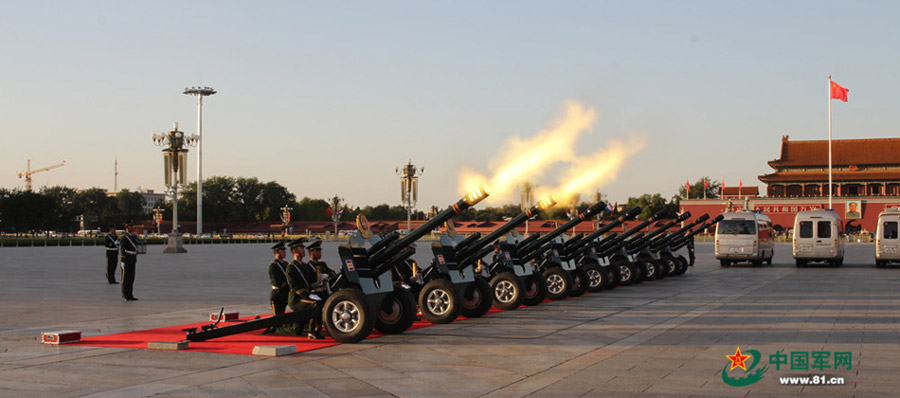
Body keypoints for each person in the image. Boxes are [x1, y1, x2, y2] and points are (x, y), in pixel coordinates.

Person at [284, 238, 324, 339]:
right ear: (294, 251)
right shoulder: (291, 267)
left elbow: (309, 284)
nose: (303, 250)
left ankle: (314, 329)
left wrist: (317, 283)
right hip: (296, 298)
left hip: (304, 296)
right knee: (315, 304)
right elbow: (295, 287)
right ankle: (313, 331)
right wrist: (309, 295)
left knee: (297, 330)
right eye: (301, 248)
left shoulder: (304, 266)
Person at [268, 241, 290, 315]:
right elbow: (277, 283)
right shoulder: (273, 266)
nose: (284, 252)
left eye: (284, 250)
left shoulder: (286, 264)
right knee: (277, 319)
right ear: (276, 251)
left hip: (285, 294)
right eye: (282, 250)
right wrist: (287, 284)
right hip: (277, 295)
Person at [120, 222, 139, 301]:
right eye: (131, 226)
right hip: (127, 259)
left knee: (131, 278)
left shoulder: (133, 237)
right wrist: (122, 260)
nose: (132, 227)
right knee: (125, 279)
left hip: (132, 258)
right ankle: (125, 295)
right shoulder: (124, 237)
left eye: (132, 226)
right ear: (127, 227)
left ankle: (130, 294)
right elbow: (122, 249)